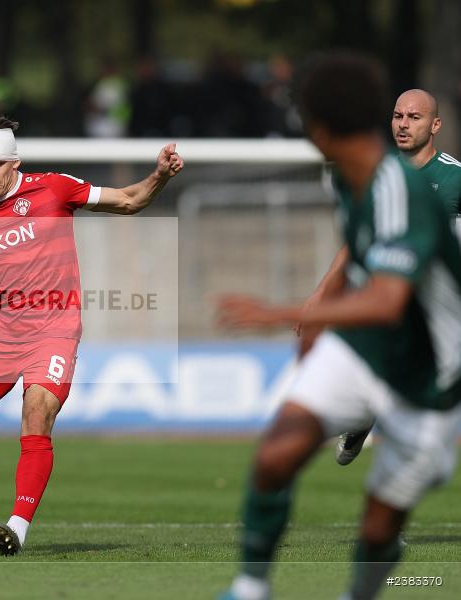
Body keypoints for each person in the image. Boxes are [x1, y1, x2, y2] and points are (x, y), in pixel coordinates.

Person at [216, 53, 461, 600]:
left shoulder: (412, 190)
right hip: (364, 349)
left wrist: (282, 313)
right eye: (396, 115)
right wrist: (317, 316)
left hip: (428, 372)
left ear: (321, 129)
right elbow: (358, 264)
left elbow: (388, 301)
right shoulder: (354, 180)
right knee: (277, 452)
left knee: (377, 527)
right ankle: (250, 587)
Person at [0, 115, 183, 556]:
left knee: (37, 415)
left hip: (54, 330)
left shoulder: (54, 188)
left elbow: (128, 200)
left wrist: (159, 175)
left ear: (15, 162)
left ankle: (17, 525)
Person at [298, 87, 461, 465]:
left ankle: (368, 414)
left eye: (414, 117)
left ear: (435, 125)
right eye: (397, 116)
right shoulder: (375, 175)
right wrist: (321, 292)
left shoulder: (454, 178)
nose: (403, 125)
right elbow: (355, 244)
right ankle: (365, 412)